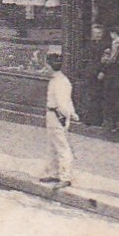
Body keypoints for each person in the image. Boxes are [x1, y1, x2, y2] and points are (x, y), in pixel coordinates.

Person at [41, 51, 77, 188]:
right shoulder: (58, 80)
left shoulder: (60, 82)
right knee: (52, 146)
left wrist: (66, 117)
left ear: (50, 66)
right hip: (53, 115)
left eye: (47, 65)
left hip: (57, 116)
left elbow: (63, 104)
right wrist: (72, 113)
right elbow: (68, 100)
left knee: (62, 147)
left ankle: (65, 176)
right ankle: (54, 173)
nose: (46, 68)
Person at [98, 26, 119, 132]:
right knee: (115, 99)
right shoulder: (117, 45)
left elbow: (112, 61)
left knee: (115, 99)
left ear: (114, 33)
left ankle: (117, 124)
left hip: (116, 76)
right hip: (116, 76)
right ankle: (114, 124)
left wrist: (105, 64)